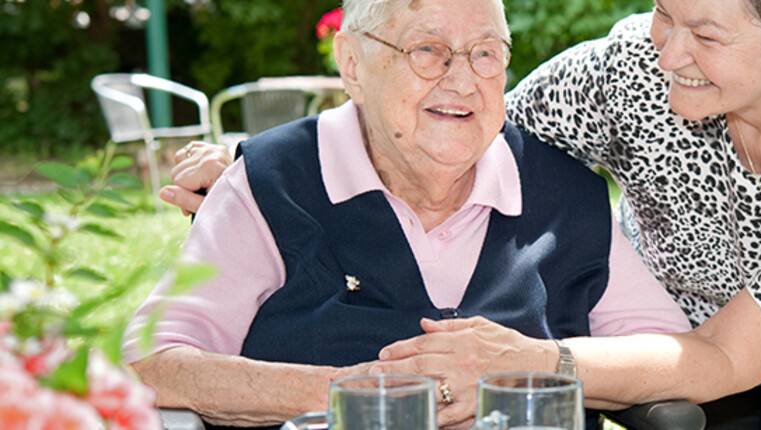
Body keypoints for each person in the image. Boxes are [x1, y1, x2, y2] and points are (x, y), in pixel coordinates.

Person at [163, 0, 761, 428]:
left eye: (704, 33)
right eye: (663, 14)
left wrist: (525, 365)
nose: (665, 51)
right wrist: (263, 164)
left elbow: (720, 359)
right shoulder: (628, 69)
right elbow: (457, 112)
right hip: (656, 345)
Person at [122, 0, 690, 428]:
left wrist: (542, 364)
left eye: (487, 53)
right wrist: (357, 391)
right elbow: (154, 362)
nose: (463, 80)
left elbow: (667, 353)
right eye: (427, 51)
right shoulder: (273, 181)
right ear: (352, 63)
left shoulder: (563, 194)